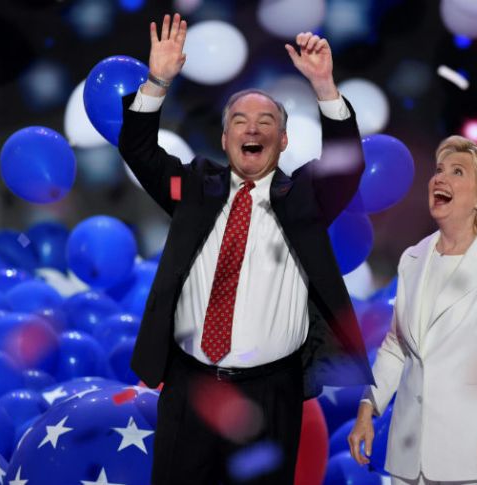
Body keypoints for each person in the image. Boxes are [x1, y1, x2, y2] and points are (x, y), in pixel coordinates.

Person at [118, 13, 373, 484]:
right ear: (225, 138)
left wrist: (324, 86)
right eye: (240, 120)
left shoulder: (305, 199)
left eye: (265, 121)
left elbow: (348, 164)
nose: (252, 129)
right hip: (189, 388)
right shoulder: (194, 188)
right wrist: (157, 80)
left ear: (283, 139)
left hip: (270, 397)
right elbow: (139, 151)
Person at [348, 135, 477, 485]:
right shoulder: (412, 258)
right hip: (411, 452)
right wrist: (367, 408)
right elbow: (396, 345)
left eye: (457, 172)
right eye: (439, 170)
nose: (440, 178)